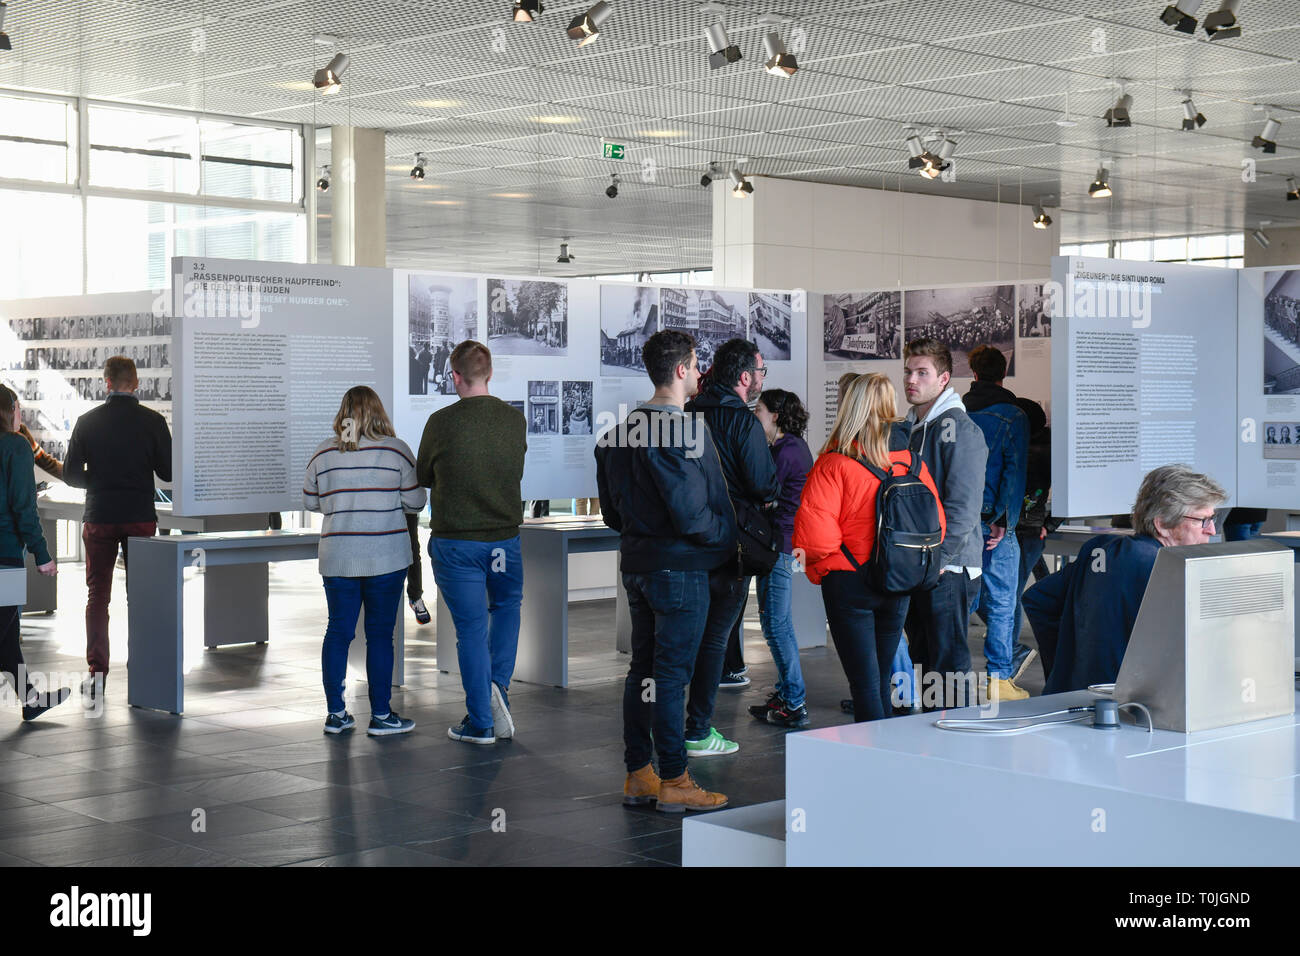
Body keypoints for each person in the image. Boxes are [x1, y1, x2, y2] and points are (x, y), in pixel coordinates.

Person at [596, 329, 736, 813]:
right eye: (697, 365)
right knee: (672, 677)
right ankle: (675, 780)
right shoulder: (682, 431)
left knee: (644, 672)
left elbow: (612, 514)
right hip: (679, 570)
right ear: (681, 370)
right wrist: (727, 537)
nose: (700, 373)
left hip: (637, 566)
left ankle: (640, 774)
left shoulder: (616, 434)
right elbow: (693, 514)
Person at [795, 374, 945, 721]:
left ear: (849, 407)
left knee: (864, 686)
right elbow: (937, 521)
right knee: (879, 677)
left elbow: (816, 540)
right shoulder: (912, 462)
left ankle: (872, 764)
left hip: (851, 583)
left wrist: (829, 569)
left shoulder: (834, 464)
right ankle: (886, 756)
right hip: (899, 581)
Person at [1023, 465, 1226, 693]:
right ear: (1162, 524)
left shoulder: (1101, 549)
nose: (1211, 530)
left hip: (1080, 698)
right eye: (1202, 520)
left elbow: (1038, 599)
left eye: (1212, 518)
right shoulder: (1166, 567)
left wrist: (1064, 669)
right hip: (1135, 707)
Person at [417, 341, 526, 745]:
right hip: (504, 541)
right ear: (490, 373)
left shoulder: (441, 422)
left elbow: (423, 475)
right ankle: (497, 689)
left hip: (458, 543)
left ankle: (481, 720)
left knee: (471, 630)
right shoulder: (514, 419)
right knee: (506, 609)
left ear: (454, 375)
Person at [304, 387, 426, 736]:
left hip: (338, 558)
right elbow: (416, 503)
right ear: (378, 412)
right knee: (379, 636)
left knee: (338, 632)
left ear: (344, 412)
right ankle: (383, 716)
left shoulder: (324, 452)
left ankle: (336, 714)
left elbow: (311, 502)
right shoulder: (396, 451)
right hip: (386, 558)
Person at [684, 337, 779, 757]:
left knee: (680, 637)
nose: (760, 377)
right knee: (715, 639)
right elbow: (763, 484)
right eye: (760, 371)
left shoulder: (687, 414)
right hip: (732, 543)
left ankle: (668, 727)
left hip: (689, 539)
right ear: (745, 377)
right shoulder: (743, 422)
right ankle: (698, 729)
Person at [63, 356, 172, 701]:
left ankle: (97, 674)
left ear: (106, 382)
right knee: (139, 595)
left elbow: (69, 474)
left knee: (98, 596)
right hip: (139, 516)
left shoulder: (87, 422)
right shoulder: (153, 422)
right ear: (136, 383)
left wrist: (97, 480)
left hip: (99, 516)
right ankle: (141, 668)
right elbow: (167, 473)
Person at [898, 338, 988, 709]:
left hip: (948, 565)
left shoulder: (959, 429)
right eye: (908, 371)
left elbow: (963, 508)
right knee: (924, 654)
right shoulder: (913, 426)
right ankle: (933, 734)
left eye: (922, 373)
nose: (911, 380)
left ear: (944, 379)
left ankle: (955, 738)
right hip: (922, 563)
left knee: (948, 661)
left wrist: (936, 560)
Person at [962, 345, 1031, 701]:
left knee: (960, 601)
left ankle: (951, 676)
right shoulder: (1013, 415)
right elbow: (1013, 472)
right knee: (1003, 602)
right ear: (1003, 374)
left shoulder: (956, 411)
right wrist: (1005, 519)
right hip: (994, 524)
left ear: (973, 373)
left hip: (959, 522)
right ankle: (999, 682)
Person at [0, 385, 70, 721]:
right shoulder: (15, 446)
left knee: (7, 633)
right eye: (17, 407)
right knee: (3, 626)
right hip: (6, 558)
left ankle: (30, 700)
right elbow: (23, 507)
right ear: (10, 409)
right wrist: (42, 554)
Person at [747, 388, 814, 729]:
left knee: (777, 624)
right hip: (779, 544)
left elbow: (765, 494)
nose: (754, 415)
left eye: (758, 410)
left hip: (781, 546)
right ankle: (787, 692)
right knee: (775, 623)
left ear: (774, 415)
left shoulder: (787, 451)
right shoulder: (787, 448)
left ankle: (794, 700)